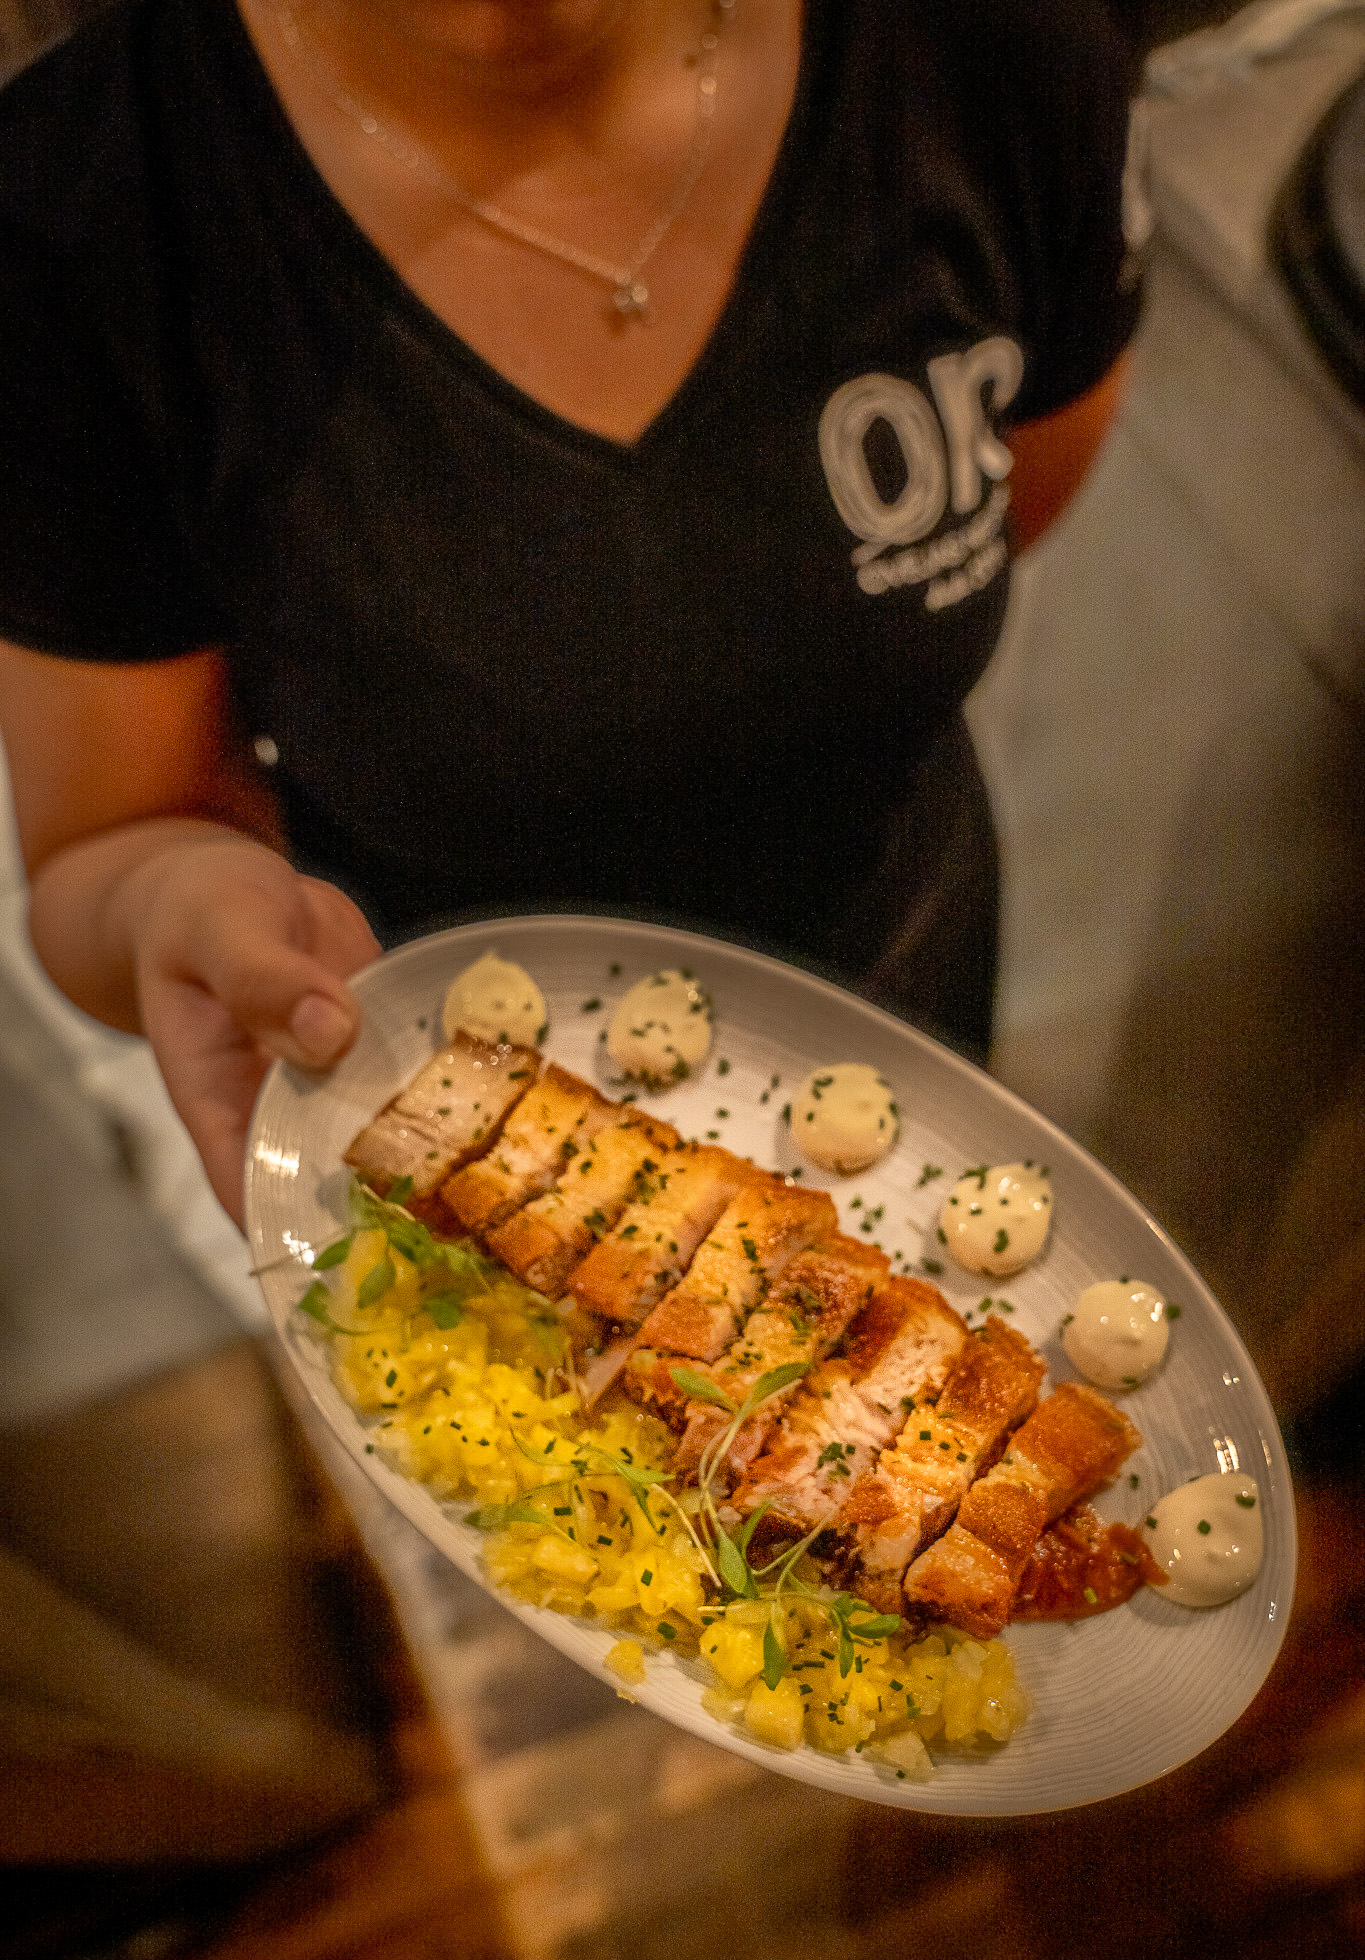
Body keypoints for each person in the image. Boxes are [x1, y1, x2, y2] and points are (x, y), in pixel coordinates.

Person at [0, 0, 1135, 1224]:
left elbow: (1030, 490)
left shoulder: (1004, 49)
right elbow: (103, 846)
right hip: (438, 1128)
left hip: (904, 1006)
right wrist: (182, 903)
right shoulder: (73, 212)